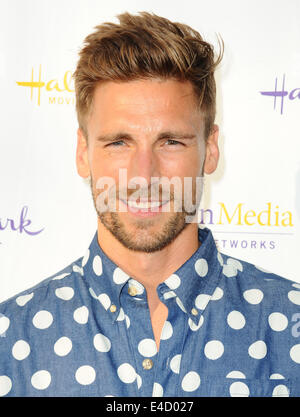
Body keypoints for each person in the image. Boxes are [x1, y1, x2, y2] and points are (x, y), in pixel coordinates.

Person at [0, 11, 300, 398]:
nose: (143, 175)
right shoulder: (10, 339)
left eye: (171, 141)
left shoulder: (290, 324)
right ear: (82, 153)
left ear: (210, 150)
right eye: (118, 142)